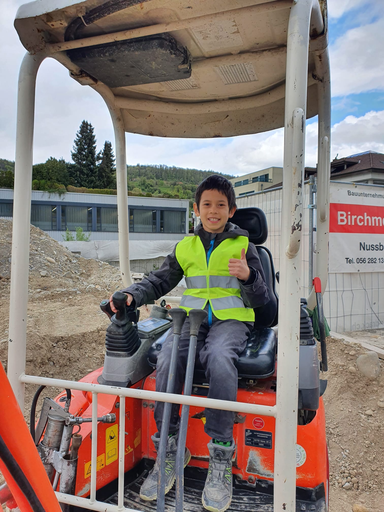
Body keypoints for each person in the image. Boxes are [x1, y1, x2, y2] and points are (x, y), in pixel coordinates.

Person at [113, 175, 269, 512]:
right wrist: (132, 294)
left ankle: (221, 453)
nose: (213, 211)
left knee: (220, 360)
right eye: (207, 205)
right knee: (167, 359)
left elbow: (262, 299)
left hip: (231, 322)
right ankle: (169, 447)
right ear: (196, 209)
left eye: (221, 205)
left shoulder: (245, 248)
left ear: (232, 211)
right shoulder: (185, 247)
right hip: (189, 318)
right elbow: (159, 281)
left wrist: (248, 276)